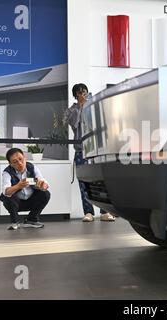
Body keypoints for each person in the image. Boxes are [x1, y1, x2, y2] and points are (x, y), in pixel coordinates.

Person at [65, 83, 115, 222]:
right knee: (83, 183)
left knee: (101, 181)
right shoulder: (71, 111)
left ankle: (105, 212)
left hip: (97, 150)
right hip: (81, 151)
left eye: (84, 92)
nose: (82, 95)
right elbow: (75, 123)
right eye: (79, 93)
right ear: (75, 95)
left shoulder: (95, 108)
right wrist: (82, 107)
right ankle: (88, 212)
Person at [0, 148, 51, 230]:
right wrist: (18, 186)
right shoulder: (7, 172)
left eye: (20, 159)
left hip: (31, 201)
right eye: (15, 162)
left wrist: (42, 185)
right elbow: (5, 191)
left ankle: (31, 220)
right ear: (10, 164)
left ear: (25, 158)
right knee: (7, 197)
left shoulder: (32, 167)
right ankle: (15, 222)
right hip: (16, 203)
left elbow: (45, 184)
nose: (19, 163)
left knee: (45, 194)